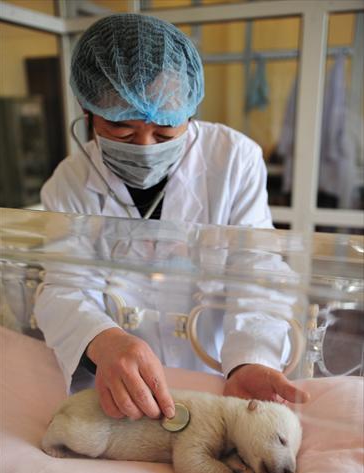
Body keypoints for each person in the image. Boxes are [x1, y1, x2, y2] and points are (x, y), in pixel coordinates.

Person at [35, 13, 309, 422]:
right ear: (87, 109)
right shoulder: (70, 182)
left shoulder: (234, 159)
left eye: (164, 131)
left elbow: (257, 270)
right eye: (121, 129)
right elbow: (62, 287)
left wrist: (250, 358)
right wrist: (104, 340)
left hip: (216, 368)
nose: (145, 145)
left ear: (191, 109)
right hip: (119, 383)